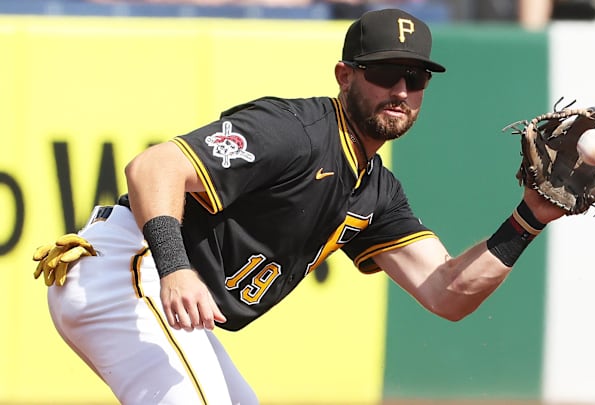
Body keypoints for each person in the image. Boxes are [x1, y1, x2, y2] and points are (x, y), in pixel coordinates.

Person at [35, 8, 565, 404]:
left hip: (152, 291)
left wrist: (530, 219)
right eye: (385, 73)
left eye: (417, 77)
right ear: (345, 76)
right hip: (129, 268)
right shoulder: (294, 131)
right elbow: (154, 166)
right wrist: (175, 268)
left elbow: (447, 292)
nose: (401, 90)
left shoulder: (376, 192)